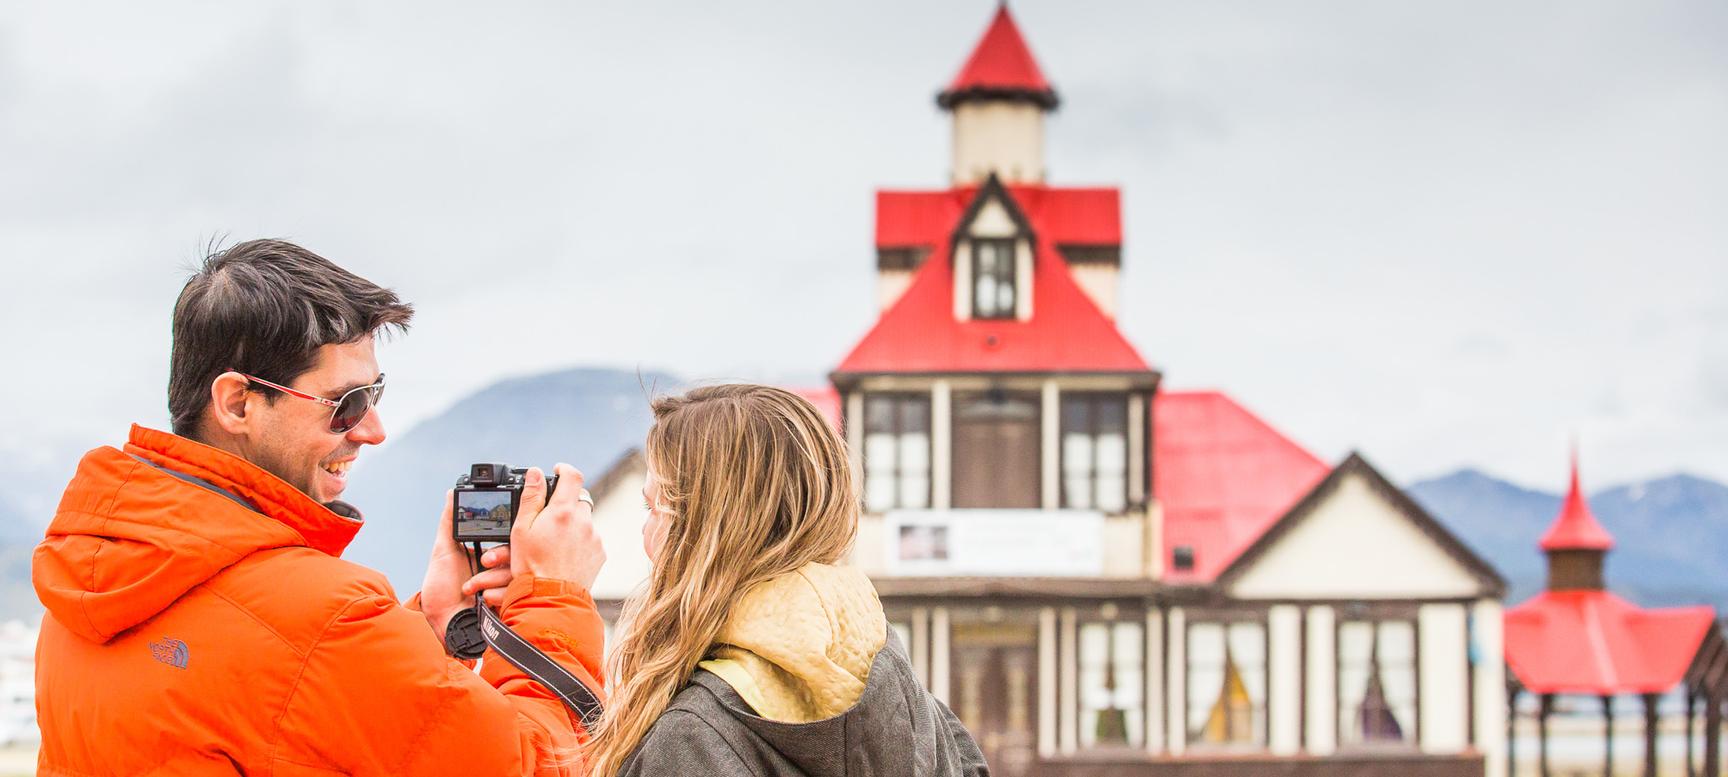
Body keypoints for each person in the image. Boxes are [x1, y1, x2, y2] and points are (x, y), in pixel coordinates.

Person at [32, 240, 607, 775]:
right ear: (237, 403)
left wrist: (427, 633)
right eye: (346, 402)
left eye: (375, 394)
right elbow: (541, 764)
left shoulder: (84, 589)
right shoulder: (323, 622)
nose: (373, 430)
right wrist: (555, 595)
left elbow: (281, 711)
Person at [585, 384, 988, 777]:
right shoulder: (920, 714)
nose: (646, 536)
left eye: (654, 508)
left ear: (709, 530)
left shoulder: (687, 739)